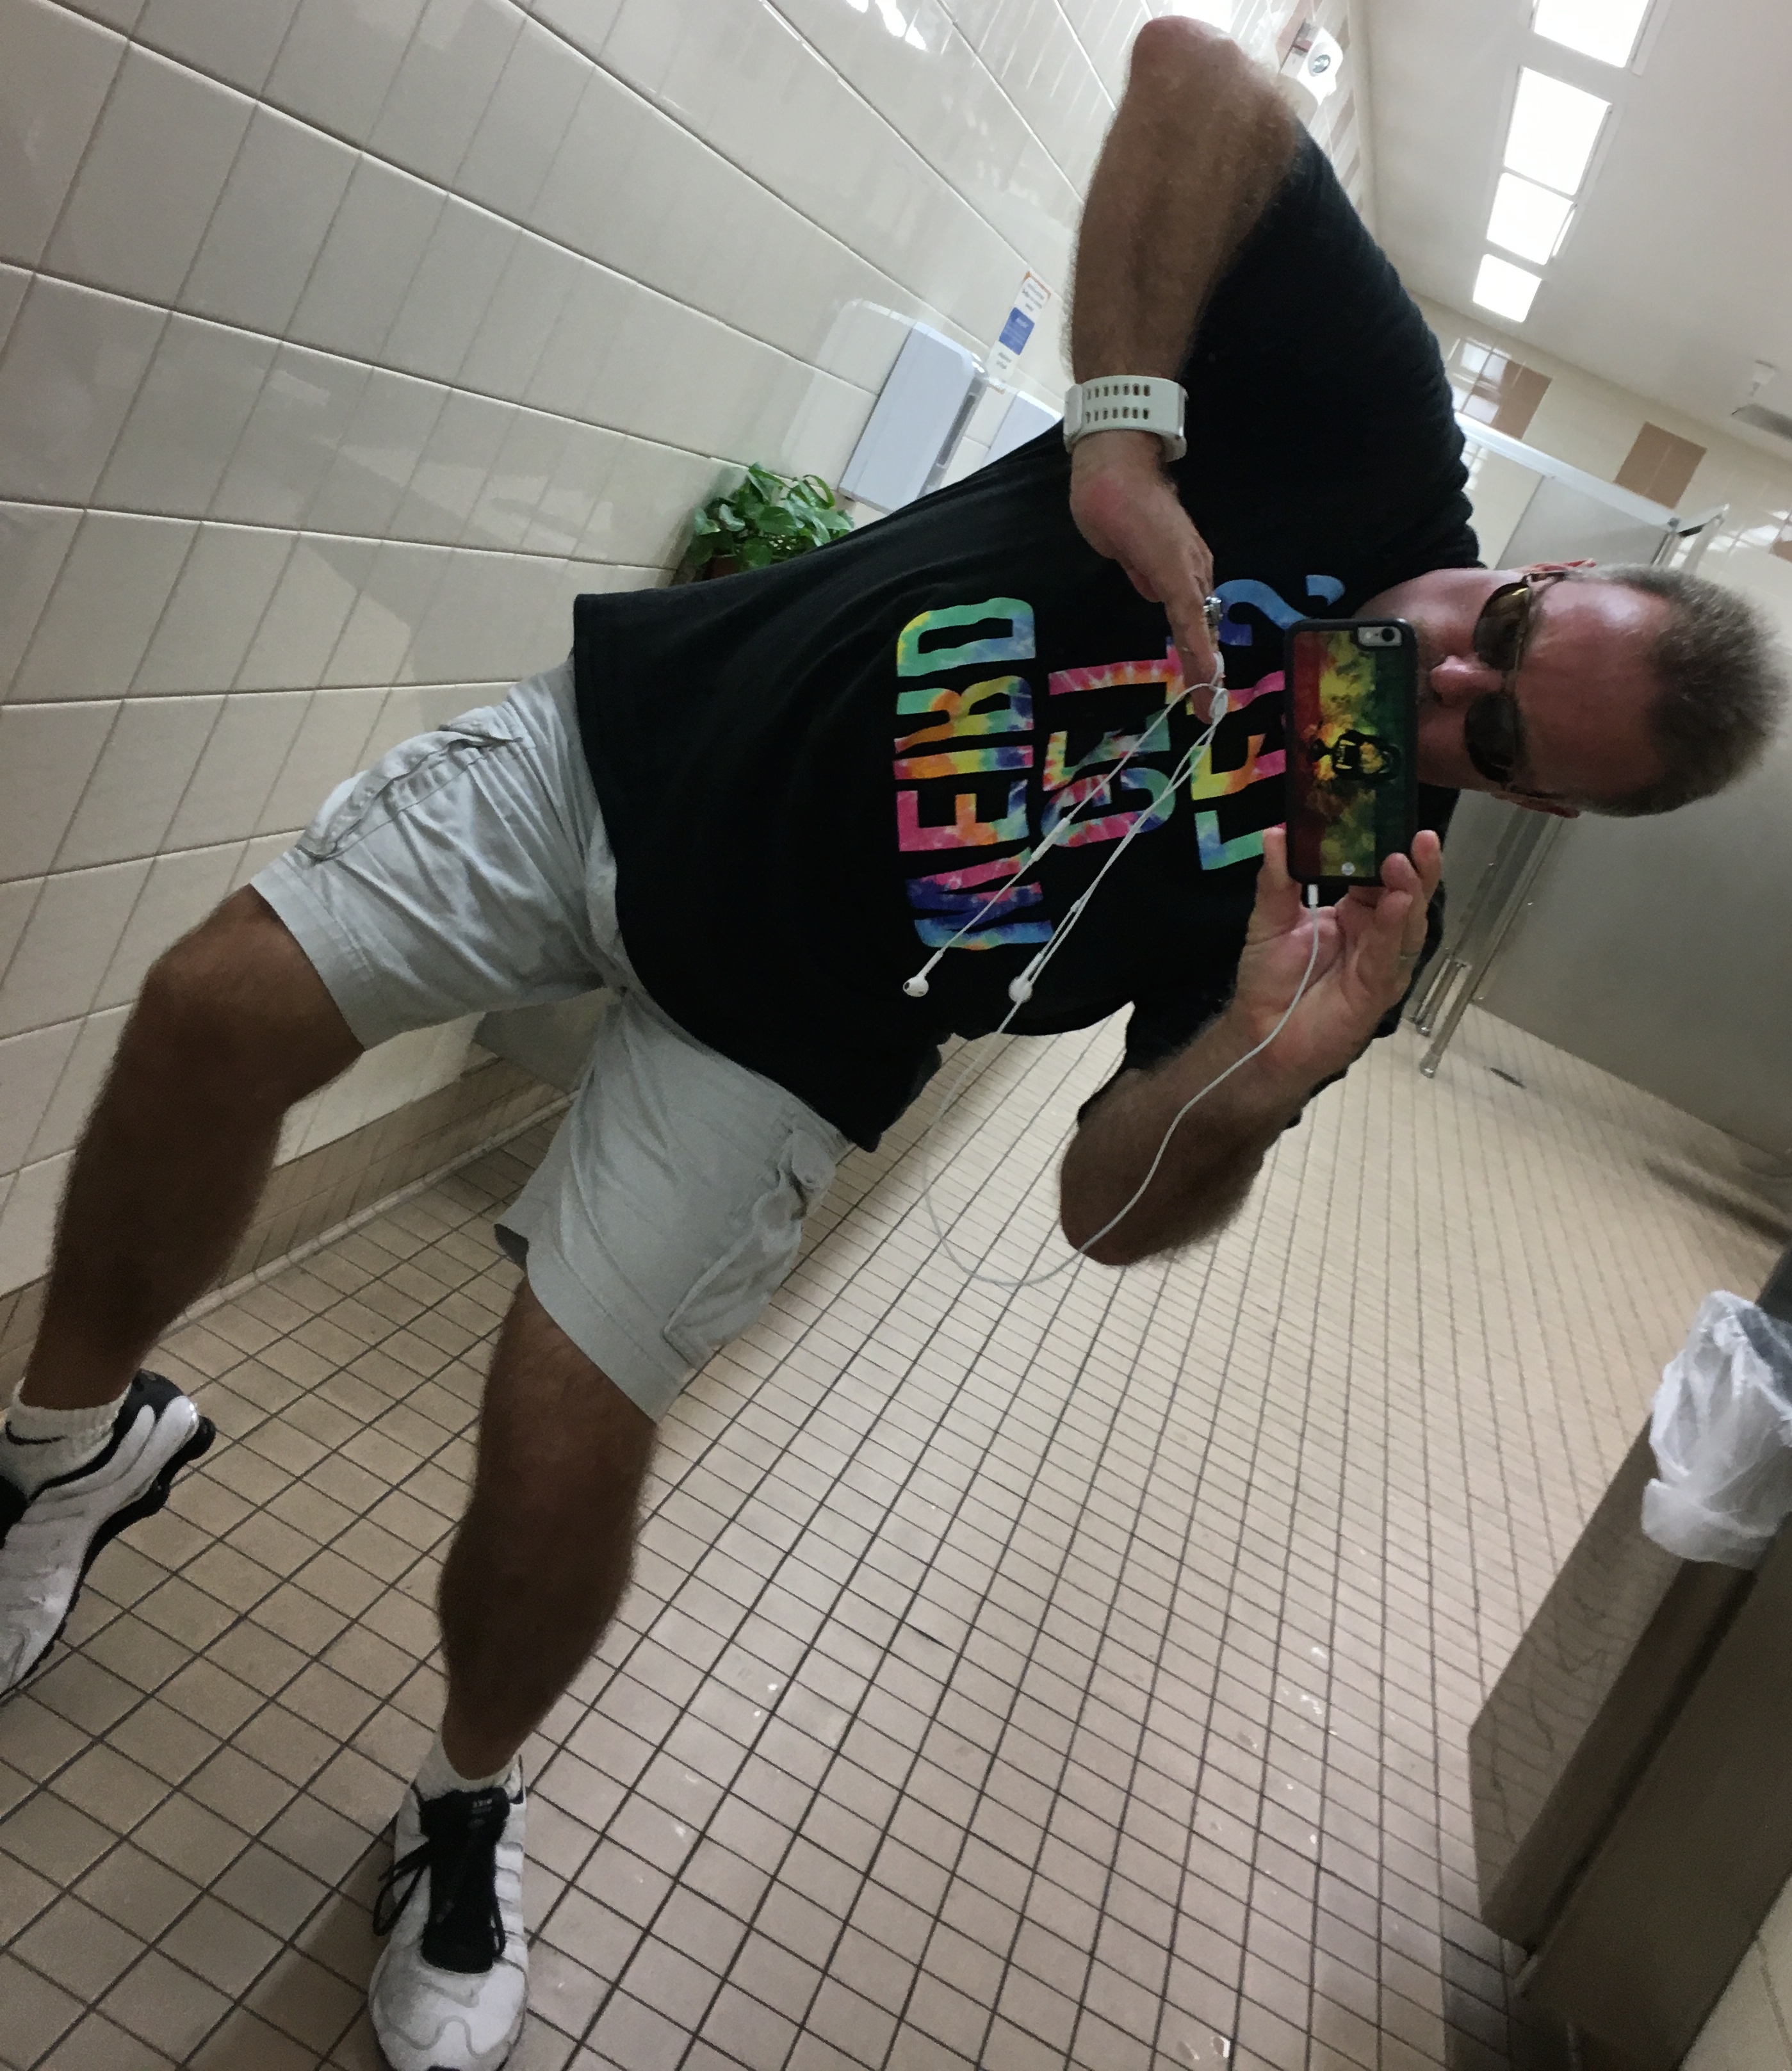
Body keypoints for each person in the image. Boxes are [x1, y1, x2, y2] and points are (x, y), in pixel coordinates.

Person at [0, 21, 1782, 2071]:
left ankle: (464, 1799)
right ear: (1550, 570)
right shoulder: (1369, 436)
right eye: (1512, 626)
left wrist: (1251, 1071)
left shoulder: (1361, 877)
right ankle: (64, 1450)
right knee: (212, 1006)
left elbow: (1104, 1209)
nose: (1444, 669)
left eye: (1496, 727)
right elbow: (1197, 79)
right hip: (637, 753)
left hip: (800, 1028)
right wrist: (1123, 440)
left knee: (567, 1421)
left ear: (1528, 800)